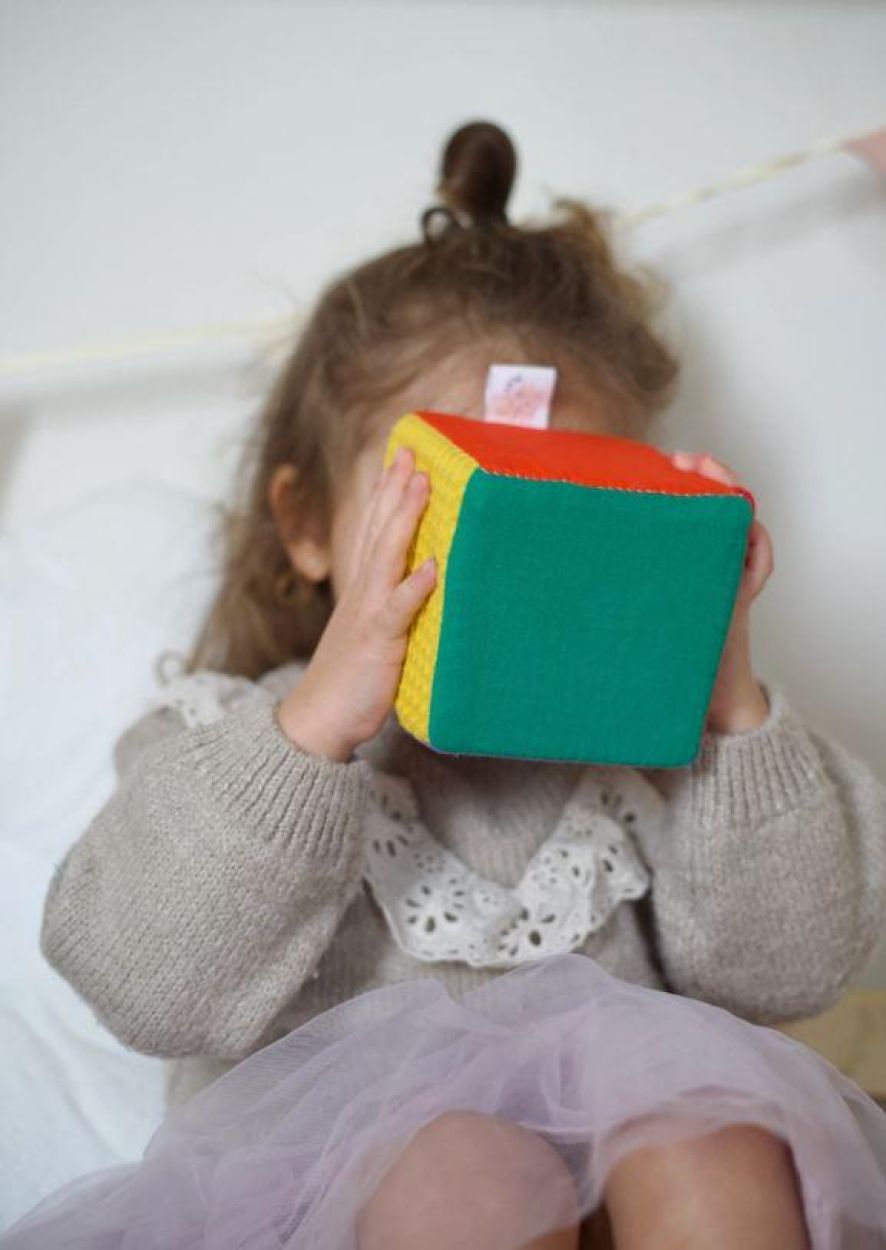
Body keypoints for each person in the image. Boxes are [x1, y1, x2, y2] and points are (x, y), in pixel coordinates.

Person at [5, 119, 886, 1250]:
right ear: (307, 524)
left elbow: (790, 973)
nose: (501, 568)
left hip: (626, 1179)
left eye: (568, 507)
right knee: (465, 1165)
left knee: (712, 1121)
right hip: (354, 1191)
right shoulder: (226, 734)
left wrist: (725, 704)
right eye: (447, 511)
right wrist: (311, 727)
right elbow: (143, 986)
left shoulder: (649, 743)